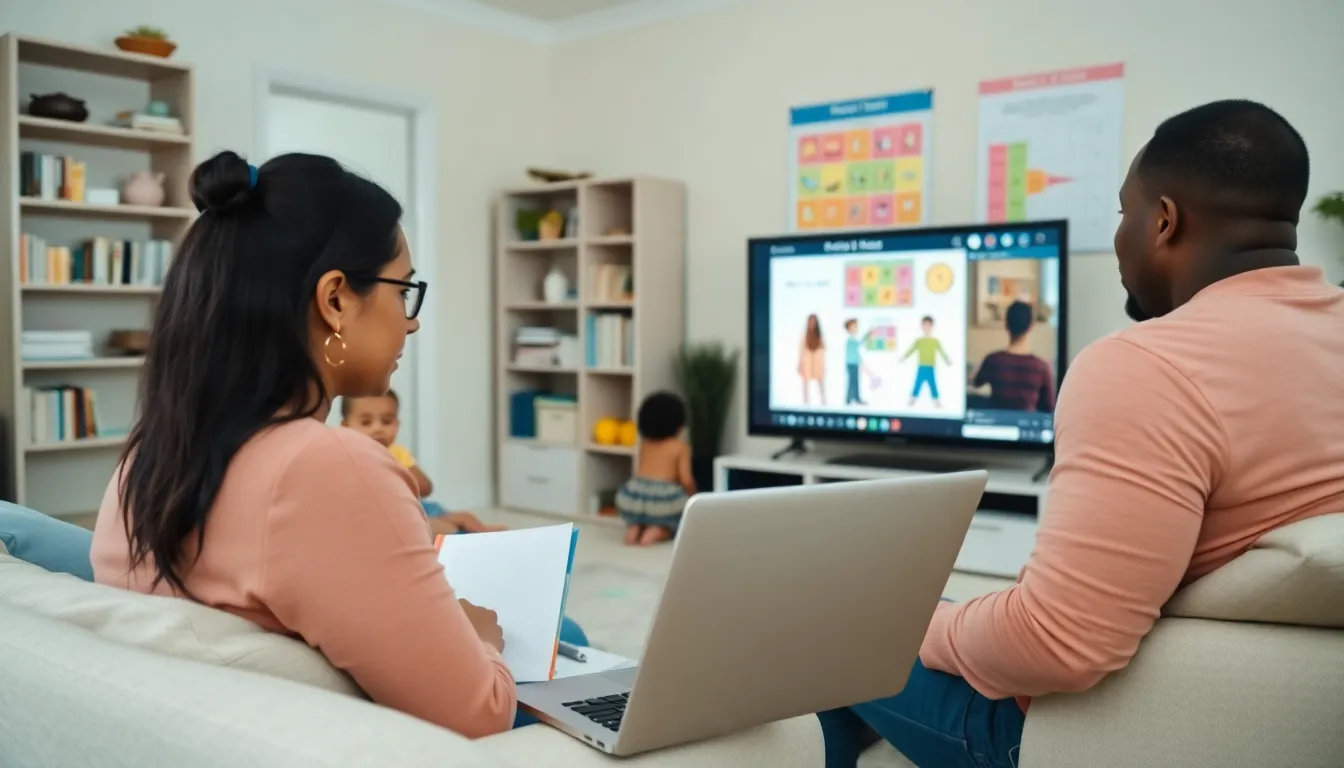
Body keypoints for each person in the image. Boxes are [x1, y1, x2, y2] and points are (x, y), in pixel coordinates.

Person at [819, 100, 1344, 768]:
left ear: (1163, 220)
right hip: (1234, 701)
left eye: (1122, 214)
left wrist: (922, 629)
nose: (1121, 238)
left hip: (1070, 731)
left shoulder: (1148, 364)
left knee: (825, 620)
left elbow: (1056, 641)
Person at [89, 150, 518, 739]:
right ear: (336, 299)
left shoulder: (144, 457)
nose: (411, 322)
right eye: (403, 291)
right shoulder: (328, 464)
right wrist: (485, 638)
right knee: (556, 636)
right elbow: (480, 713)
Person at [342, 391, 506, 534]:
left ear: (397, 425)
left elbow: (426, 487)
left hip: (417, 508)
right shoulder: (348, 457)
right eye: (366, 422)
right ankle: (469, 535)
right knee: (450, 529)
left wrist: (397, 467)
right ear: (346, 426)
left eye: (386, 421)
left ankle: (484, 534)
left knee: (464, 517)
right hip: (391, 517)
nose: (378, 428)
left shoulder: (398, 453)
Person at [616, 391, 695, 546]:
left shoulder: (645, 444)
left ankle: (635, 529)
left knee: (644, 514)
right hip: (663, 501)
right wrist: (693, 496)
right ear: (679, 425)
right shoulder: (680, 447)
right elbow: (686, 479)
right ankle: (658, 531)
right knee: (679, 519)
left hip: (633, 497)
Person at [971, 301, 1056, 412]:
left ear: (1006, 324)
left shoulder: (993, 360)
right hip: (1027, 426)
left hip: (998, 425)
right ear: (1031, 327)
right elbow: (1049, 408)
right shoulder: (1041, 367)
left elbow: (976, 383)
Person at [901, 316, 950, 408]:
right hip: (921, 366)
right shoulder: (919, 341)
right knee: (918, 383)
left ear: (931, 326)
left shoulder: (935, 341)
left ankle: (937, 402)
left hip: (931, 367)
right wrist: (904, 357)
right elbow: (911, 350)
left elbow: (941, 351)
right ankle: (912, 400)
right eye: (924, 325)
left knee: (932, 384)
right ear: (922, 327)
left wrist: (947, 359)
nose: (926, 327)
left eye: (928, 325)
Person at [843, 319, 874, 405]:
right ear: (849, 328)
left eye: (856, 327)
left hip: (854, 364)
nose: (856, 329)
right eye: (854, 327)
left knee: (854, 381)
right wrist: (867, 335)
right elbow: (858, 345)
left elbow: (856, 350)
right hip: (852, 364)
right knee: (852, 382)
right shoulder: (850, 340)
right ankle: (851, 398)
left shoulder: (852, 340)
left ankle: (854, 398)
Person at [797, 313, 826, 405]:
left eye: (814, 322)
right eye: (810, 321)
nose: (812, 324)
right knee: (805, 383)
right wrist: (800, 364)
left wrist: (822, 364)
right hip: (807, 362)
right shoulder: (804, 336)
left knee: (820, 383)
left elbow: (823, 350)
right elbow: (801, 351)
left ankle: (823, 402)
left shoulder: (820, 337)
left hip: (817, 363)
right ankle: (805, 403)